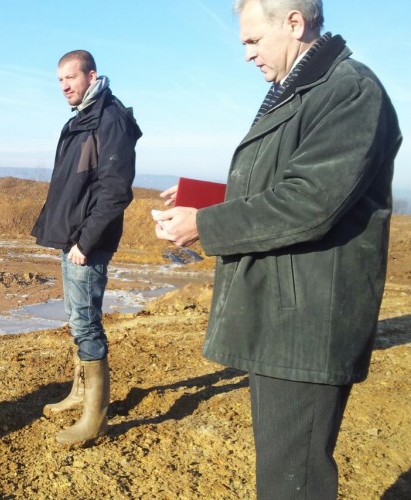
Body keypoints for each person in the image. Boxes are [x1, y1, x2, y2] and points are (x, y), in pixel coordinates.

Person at [153, 0, 402, 498]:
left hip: (309, 321)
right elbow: (286, 186)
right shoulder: (299, 90)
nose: (246, 55)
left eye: (251, 40)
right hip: (284, 313)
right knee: (281, 470)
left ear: (294, 23)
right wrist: (206, 200)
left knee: (295, 481)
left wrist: (205, 223)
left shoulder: (349, 90)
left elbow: (310, 203)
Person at [32, 49, 142, 446]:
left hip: (87, 243)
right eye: (59, 80)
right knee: (76, 318)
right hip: (73, 237)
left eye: (70, 78)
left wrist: (85, 241)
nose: (64, 86)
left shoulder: (109, 118)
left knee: (86, 322)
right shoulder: (84, 117)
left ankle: (95, 417)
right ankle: (80, 393)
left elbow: (115, 191)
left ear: (91, 75)